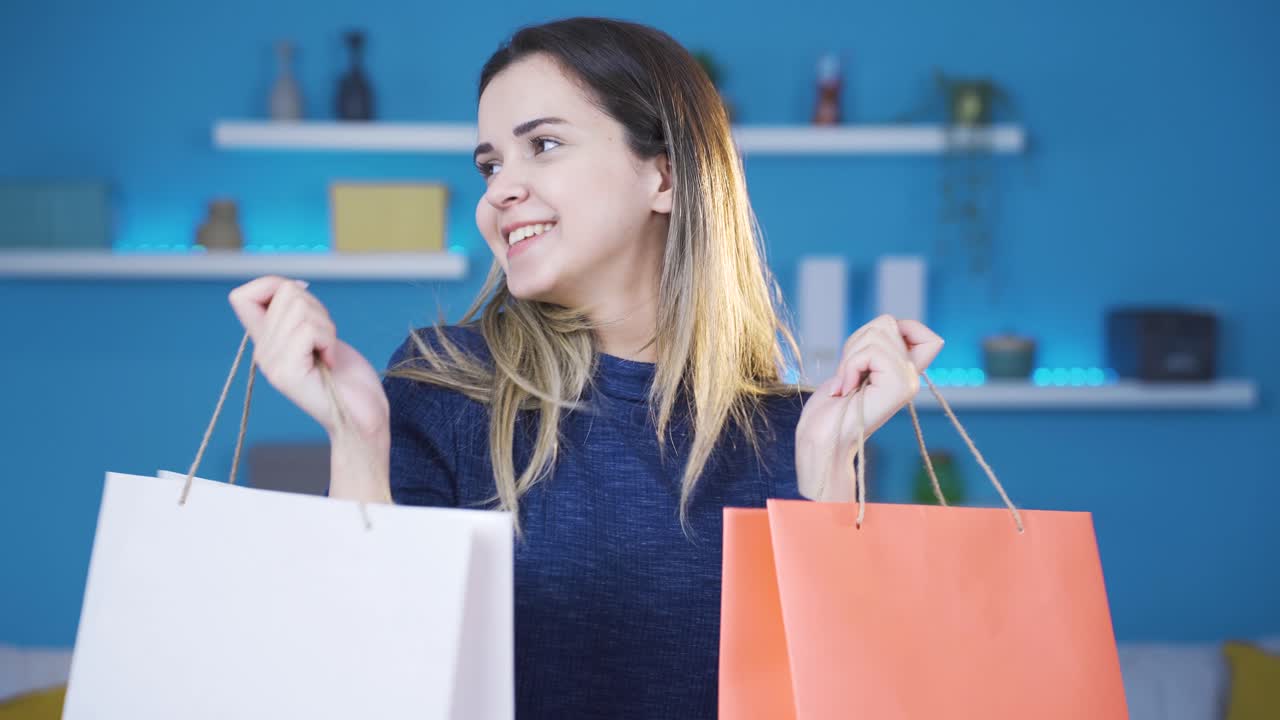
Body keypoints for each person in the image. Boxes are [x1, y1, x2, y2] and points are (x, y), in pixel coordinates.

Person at [228, 16, 943, 719]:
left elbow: (841, 697)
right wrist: (357, 445)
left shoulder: (798, 431)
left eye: (543, 144)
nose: (499, 191)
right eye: (490, 164)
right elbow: (368, 677)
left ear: (664, 176)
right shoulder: (444, 383)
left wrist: (829, 479)